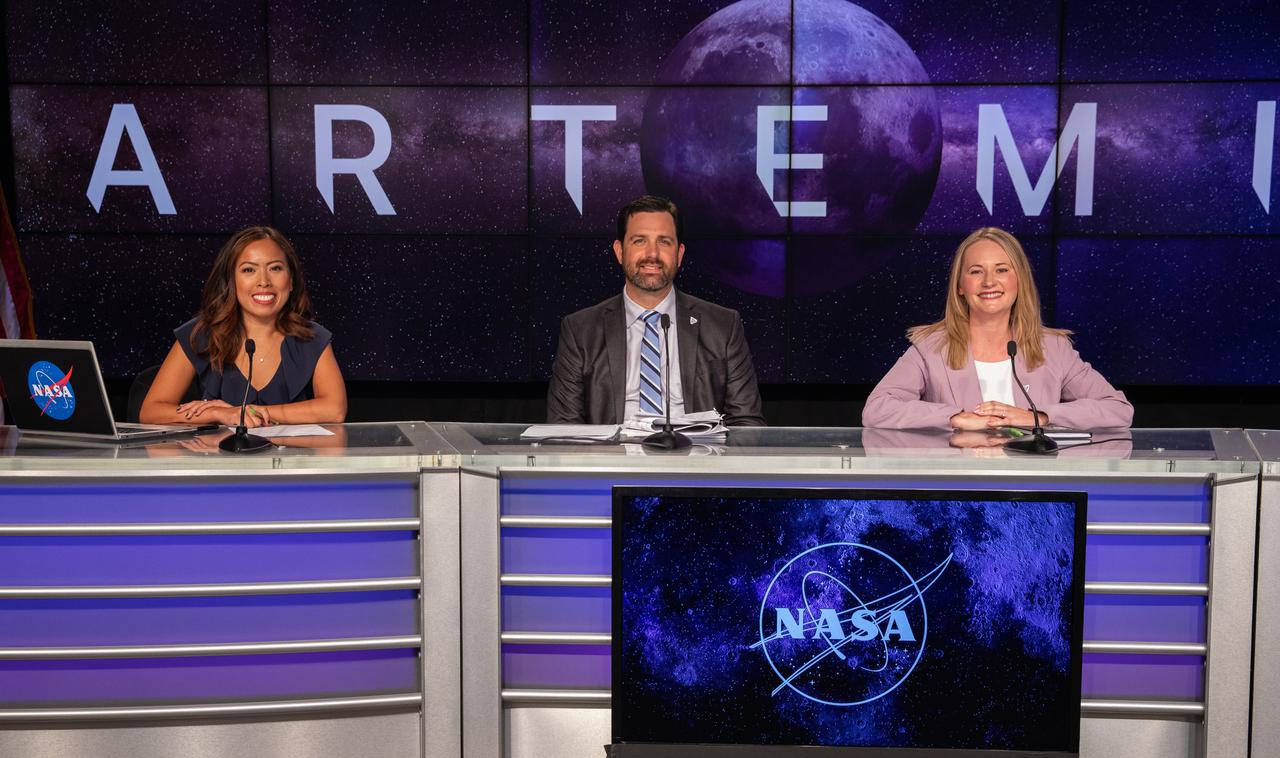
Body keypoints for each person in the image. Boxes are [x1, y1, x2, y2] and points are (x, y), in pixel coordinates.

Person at [862, 227, 1131, 431]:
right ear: (960, 286)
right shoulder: (930, 347)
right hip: (959, 486)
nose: (989, 282)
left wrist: (1039, 416)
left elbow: (1118, 410)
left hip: (1034, 486)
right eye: (976, 272)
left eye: (1001, 270)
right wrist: (954, 417)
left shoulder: (1053, 348)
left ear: (1019, 280)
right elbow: (877, 409)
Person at [547, 195, 765, 426]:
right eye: (640, 241)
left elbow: (747, 423)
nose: (652, 254)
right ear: (620, 251)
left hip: (698, 457)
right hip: (613, 459)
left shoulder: (723, 325)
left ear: (679, 254)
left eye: (664, 242)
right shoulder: (580, 330)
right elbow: (564, 427)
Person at [140, 226, 346, 427]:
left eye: (275, 268)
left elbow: (334, 410)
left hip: (290, 460)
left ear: (291, 281)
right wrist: (219, 414)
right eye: (249, 269)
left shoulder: (312, 337)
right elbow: (151, 411)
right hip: (219, 460)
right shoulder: (201, 333)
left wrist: (245, 413)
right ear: (231, 281)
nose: (264, 281)